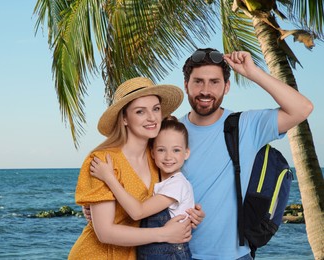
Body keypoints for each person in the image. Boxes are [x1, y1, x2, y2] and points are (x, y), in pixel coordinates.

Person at [180, 48, 313, 259]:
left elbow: (302, 108)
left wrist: (253, 73)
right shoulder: (170, 133)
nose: (205, 90)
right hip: (179, 253)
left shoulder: (246, 125)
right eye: (198, 81)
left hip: (236, 256)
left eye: (214, 82)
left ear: (227, 86)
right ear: (186, 85)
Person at [68, 77, 202, 260]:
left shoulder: (157, 157)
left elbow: (166, 200)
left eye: (156, 109)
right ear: (124, 118)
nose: (152, 117)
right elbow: (105, 233)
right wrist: (164, 234)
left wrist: (189, 214)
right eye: (140, 111)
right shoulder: (103, 160)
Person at [90, 115, 194, 259]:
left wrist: (109, 178)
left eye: (176, 150)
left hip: (170, 254)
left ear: (186, 153)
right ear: (152, 153)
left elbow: (137, 212)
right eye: (161, 150)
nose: (168, 157)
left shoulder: (177, 184)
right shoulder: (160, 182)